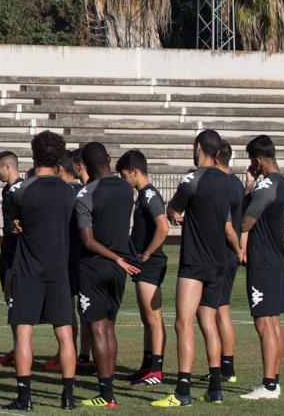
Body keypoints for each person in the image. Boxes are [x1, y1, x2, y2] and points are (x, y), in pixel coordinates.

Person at [150, 130, 242, 408]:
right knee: (208, 322)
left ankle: (182, 390)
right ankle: (214, 388)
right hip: (219, 262)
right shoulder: (228, 183)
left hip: (195, 261)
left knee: (183, 323)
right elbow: (225, 224)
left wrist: (174, 213)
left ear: (198, 147)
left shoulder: (192, 179)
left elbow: (173, 210)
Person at [4, 131, 78, 411]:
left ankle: (25, 397)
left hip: (27, 268)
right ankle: (67, 397)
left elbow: (15, 224)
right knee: (65, 334)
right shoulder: (68, 191)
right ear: (59, 157)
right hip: (59, 268)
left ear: (34, 155)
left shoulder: (22, 190)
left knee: (23, 333)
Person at [74, 142, 140, 408]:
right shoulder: (126, 189)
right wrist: (120, 258)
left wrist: (113, 256)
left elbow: (88, 240)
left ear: (86, 166)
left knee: (98, 328)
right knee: (109, 327)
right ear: (109, 160)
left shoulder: (86, 194)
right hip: (119, 268)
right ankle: (109, 388)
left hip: (95, 265)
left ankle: (106, 394)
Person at [238, 135, 284, 401]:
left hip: (263, 262)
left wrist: (240, 244)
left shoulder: (268, 184)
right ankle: (274, 381)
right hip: (276, 260)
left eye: (251, 160)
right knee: (273, 323)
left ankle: (268, 385)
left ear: (257, 160)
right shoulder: (282, 183)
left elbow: (247, 219)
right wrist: (249, 186)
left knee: (264, 325)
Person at [117, 149, 169, 387]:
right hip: (143, 265)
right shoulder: (143, 195)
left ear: (134, 171)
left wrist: (148, 252)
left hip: (150, 264)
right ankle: (147, 365)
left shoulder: (149, 195)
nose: (123, 180)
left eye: (124, 175)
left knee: (153, 318)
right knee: (146, 319)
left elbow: (163, 226)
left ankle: (156, 369)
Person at [51, 151, 93, 376]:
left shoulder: (64, 192)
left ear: (59, 170)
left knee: (67, 310)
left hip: (67, 256)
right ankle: (83, 355)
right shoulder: (84, 190)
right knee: (84, 308)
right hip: (86, 255)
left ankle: (69, 352)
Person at [213, 140, 241, 385]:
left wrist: (238, 249)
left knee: (220, 310)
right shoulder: (236, 182)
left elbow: (228, 226)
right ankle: (224, 365)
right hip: (227, 254)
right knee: (219, 309)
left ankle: (227, 366)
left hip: (222, 253)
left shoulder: (221, 183)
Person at [0, 151, 22, 367]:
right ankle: (15, 346)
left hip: (17, 253)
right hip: (7, 249)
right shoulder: (7, 190)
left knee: (15, 301)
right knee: (9, 300)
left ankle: (20, 348)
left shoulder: (21, 190)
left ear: (8, 166)